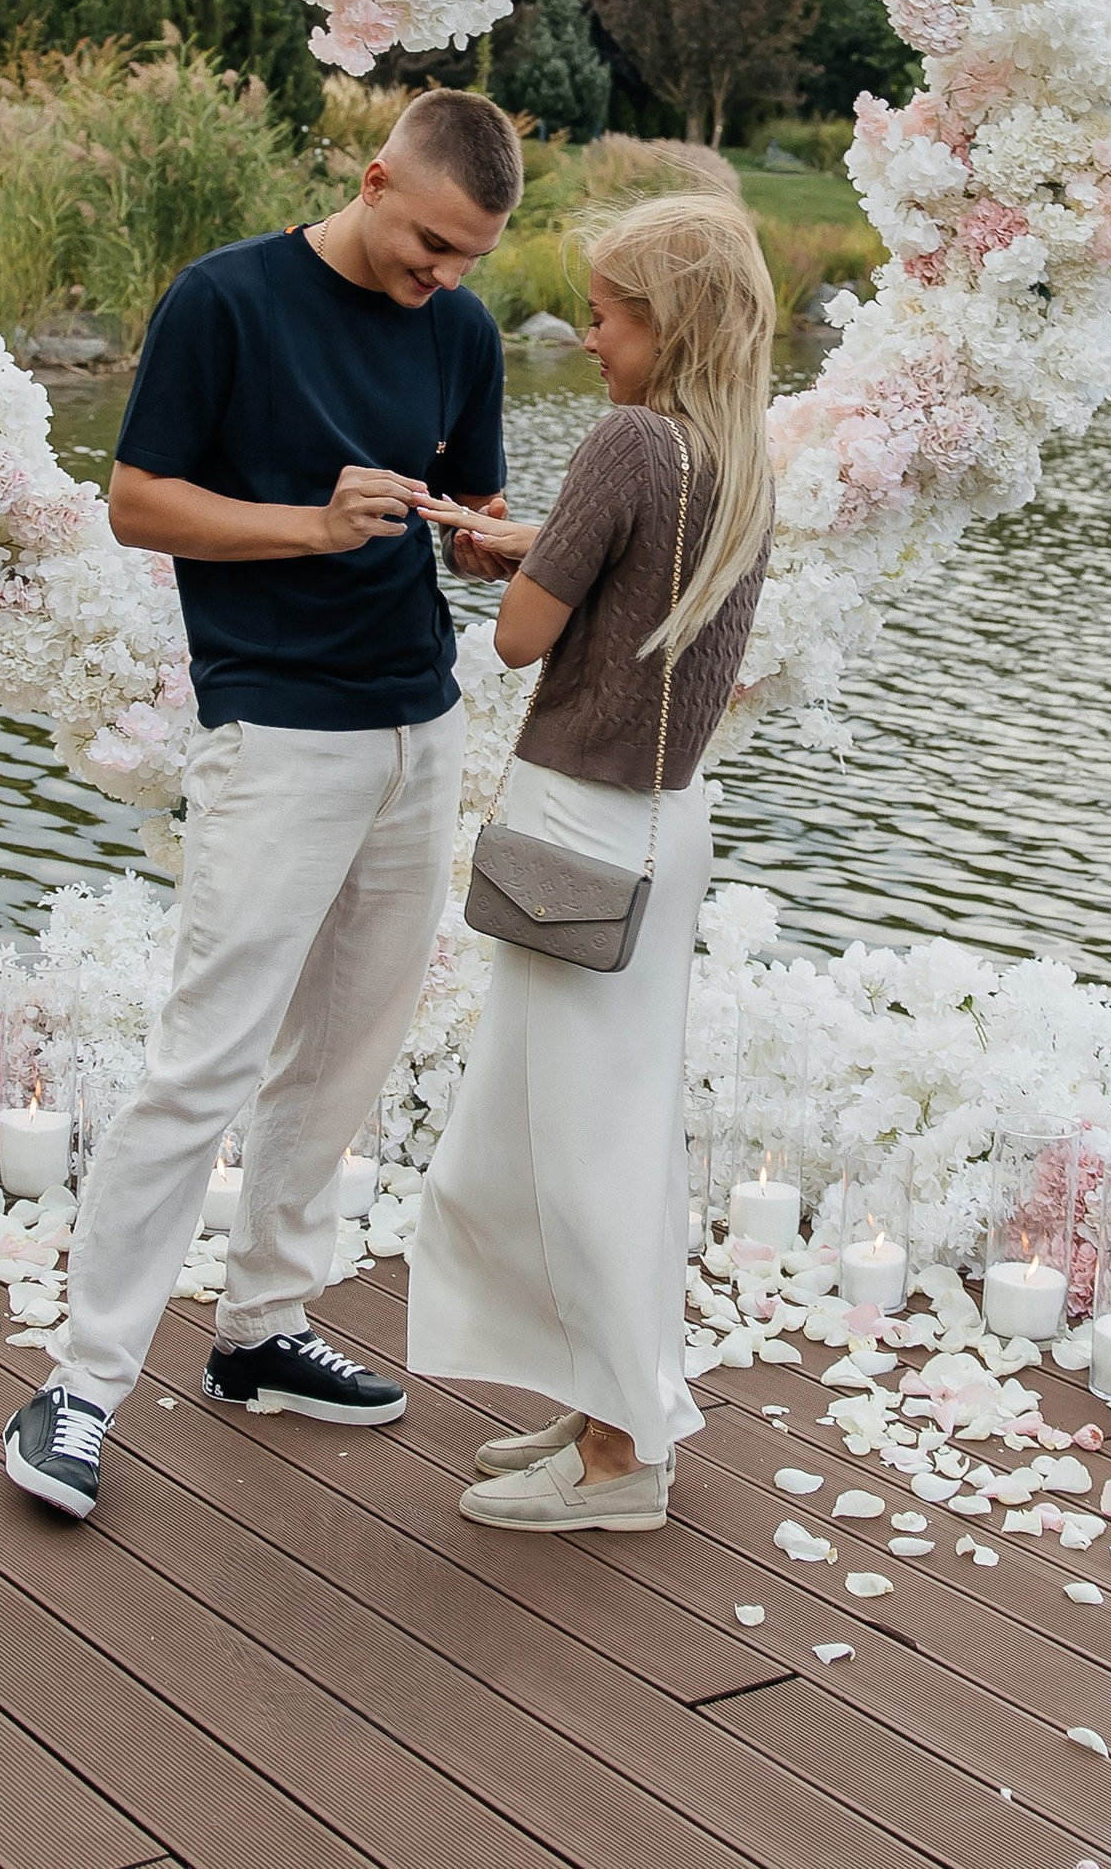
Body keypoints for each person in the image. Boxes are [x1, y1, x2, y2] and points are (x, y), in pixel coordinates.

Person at [1, 83, 523, 1521]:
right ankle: (81, 1385)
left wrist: (501, 544)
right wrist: (308, 523)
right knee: (208, 1058)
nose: (444, 279)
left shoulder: (461, 336)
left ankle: (259, 1332)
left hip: (420, 728)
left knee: (350, 1048)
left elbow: (466, 521)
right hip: (277, 733)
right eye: (430, 246)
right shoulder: (225, 301)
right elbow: (136, 502)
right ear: (371, 179)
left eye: (469, 259)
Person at [405, 188, 774, 1533]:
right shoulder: (731, 453)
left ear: (664, 326)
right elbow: (623, 590)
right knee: (573, 1126)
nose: (593, 341)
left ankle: (624, 1461)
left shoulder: (625, 445)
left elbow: (520, 641)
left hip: (580, 821)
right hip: (660, 825)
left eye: (610, 319)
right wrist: (533, 545)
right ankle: (602, 1394)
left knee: (578, 1145)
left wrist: (510, 562)